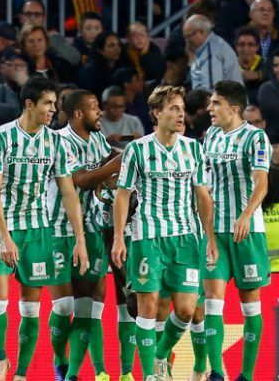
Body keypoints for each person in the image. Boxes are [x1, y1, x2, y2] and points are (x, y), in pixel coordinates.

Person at [0, 76, 89, 381]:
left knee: (30, 308)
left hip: (37, 231)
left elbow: (68, 192)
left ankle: (22, 374)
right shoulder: (0, 138)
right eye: (48, 103)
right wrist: (4, 237)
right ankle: (0, 361)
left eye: (55, 104)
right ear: (29, 104)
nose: (54, 109)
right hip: (2, 229)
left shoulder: (55, 142)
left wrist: (79, 239)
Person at [111, 86, 217, 381]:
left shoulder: (194, 148)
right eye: (173, 109)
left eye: (182, 109)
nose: (180, 114)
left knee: (185, 310)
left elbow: (202, 196)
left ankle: (159, 356)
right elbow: (123, 195)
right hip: (148, 237)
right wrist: (119, 237)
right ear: (157, 114)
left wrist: (209, 237)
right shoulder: (137, 149)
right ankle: (149, 375)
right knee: (147, 306)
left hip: (185, 238)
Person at [46, 89, 123, 381]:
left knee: (87, 304)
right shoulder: (59, 141)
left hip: (91, 231)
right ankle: (59, 357)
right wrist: (118, 162)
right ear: (78, 114)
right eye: (94, 108)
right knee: (64, 306)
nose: (100, 112)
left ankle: (80, 374)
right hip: (57, 230)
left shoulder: (98, 140)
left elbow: (106, 174)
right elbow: (81, 180)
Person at [201, 80, 270, 381]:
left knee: (249, 301)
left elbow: (262, 182)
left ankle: (247, 375)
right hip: (215, 232)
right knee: (212, 297)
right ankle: (217, 372)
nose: (209, 109)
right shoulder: (211, 137)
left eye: (215, 103)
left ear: (234, 108)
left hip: (247, 231)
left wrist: (245, 215)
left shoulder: (255, 138)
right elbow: (204, 187)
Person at [184, 14, 243, 90]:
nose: (187, 41)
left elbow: (211, 92)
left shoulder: (212, 52)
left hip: (228, 101)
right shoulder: (209, 46)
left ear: (201, 33)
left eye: (188, 36)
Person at [18, 0, 81, 67]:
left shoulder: (53, 38)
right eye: (28, 14)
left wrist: (52, 42)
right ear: (21, 18)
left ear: (44, 18)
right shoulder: (13, 39)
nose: (32, 18)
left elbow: (75, 59)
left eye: (37, 14)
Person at [78, 31, 127, 98]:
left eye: (118, 45)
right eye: (111, 45)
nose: (117, 49)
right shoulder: (89, 72)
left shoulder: (123, 68)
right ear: (100, 50)